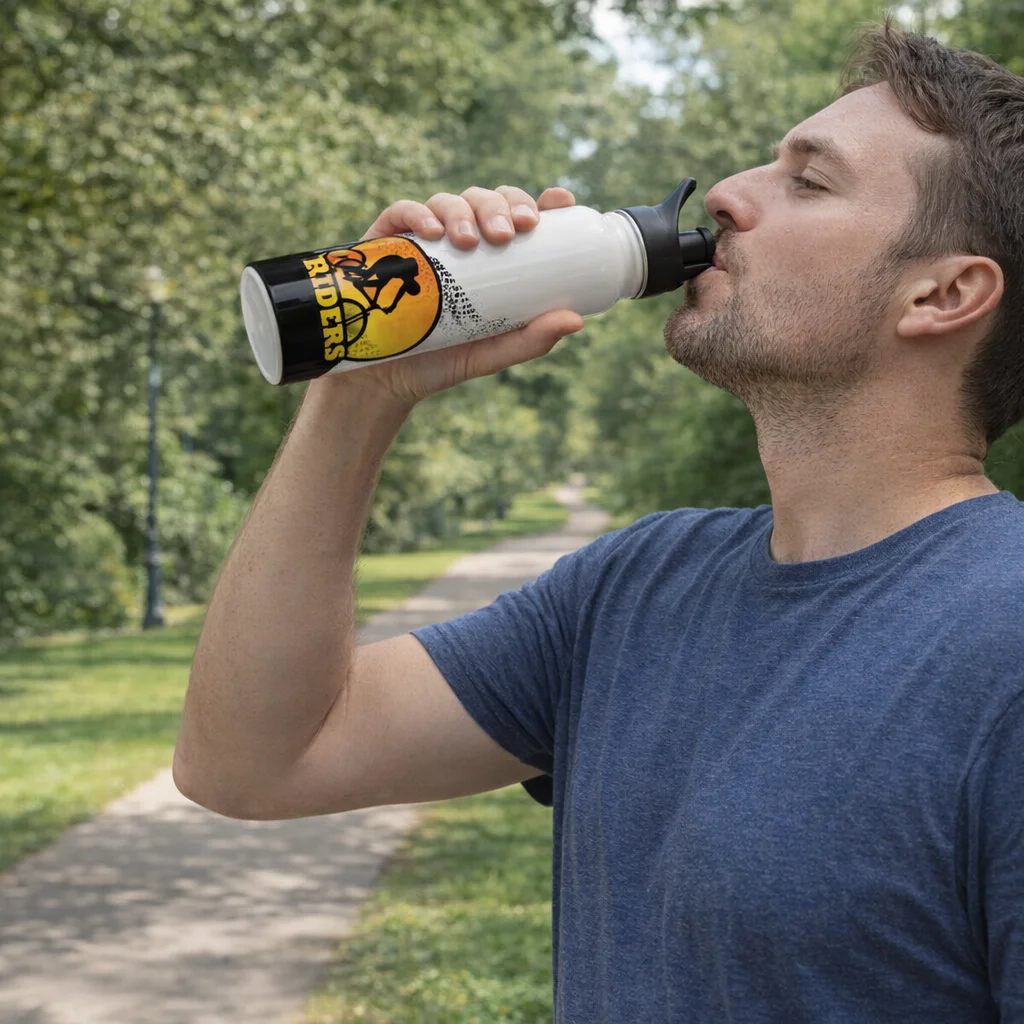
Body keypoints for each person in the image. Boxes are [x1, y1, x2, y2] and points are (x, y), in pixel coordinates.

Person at [174, 17, 1024, 1022]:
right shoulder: (633, 588)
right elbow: (252, 760)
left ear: (944, 292)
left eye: (807, 180)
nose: (727, 193)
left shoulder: (1001, 644)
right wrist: (362, 388)